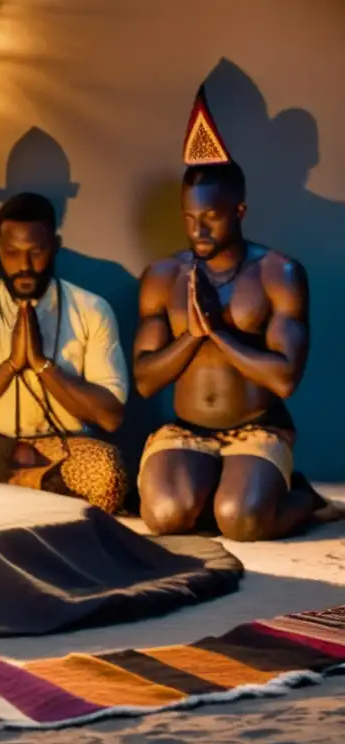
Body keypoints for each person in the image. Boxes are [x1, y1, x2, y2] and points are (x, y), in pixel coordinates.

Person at [134, 85, 327, 541]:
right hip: (187, 431)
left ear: (239, 211)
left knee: (240, 520)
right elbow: (144, 381)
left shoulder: (277, 272)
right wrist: (192, 336)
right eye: (189, 218)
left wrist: (219, 331)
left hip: (257, 430)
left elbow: (284, 380)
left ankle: (303, 498)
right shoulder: (164, 275)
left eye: (211, 218)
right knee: (164, 516)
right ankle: (215, 491)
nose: (198, 230)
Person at [0, 192, 129, 514]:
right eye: (12, 253)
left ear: (55, 246)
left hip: (64, 445)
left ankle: (17, 496)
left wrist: (42, 365)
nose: (24, 266)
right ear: (0, 249)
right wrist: (10, 366)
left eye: (36, 252)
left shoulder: (92, 310)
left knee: (109, 474)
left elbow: (110, 417)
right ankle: (41, 498)